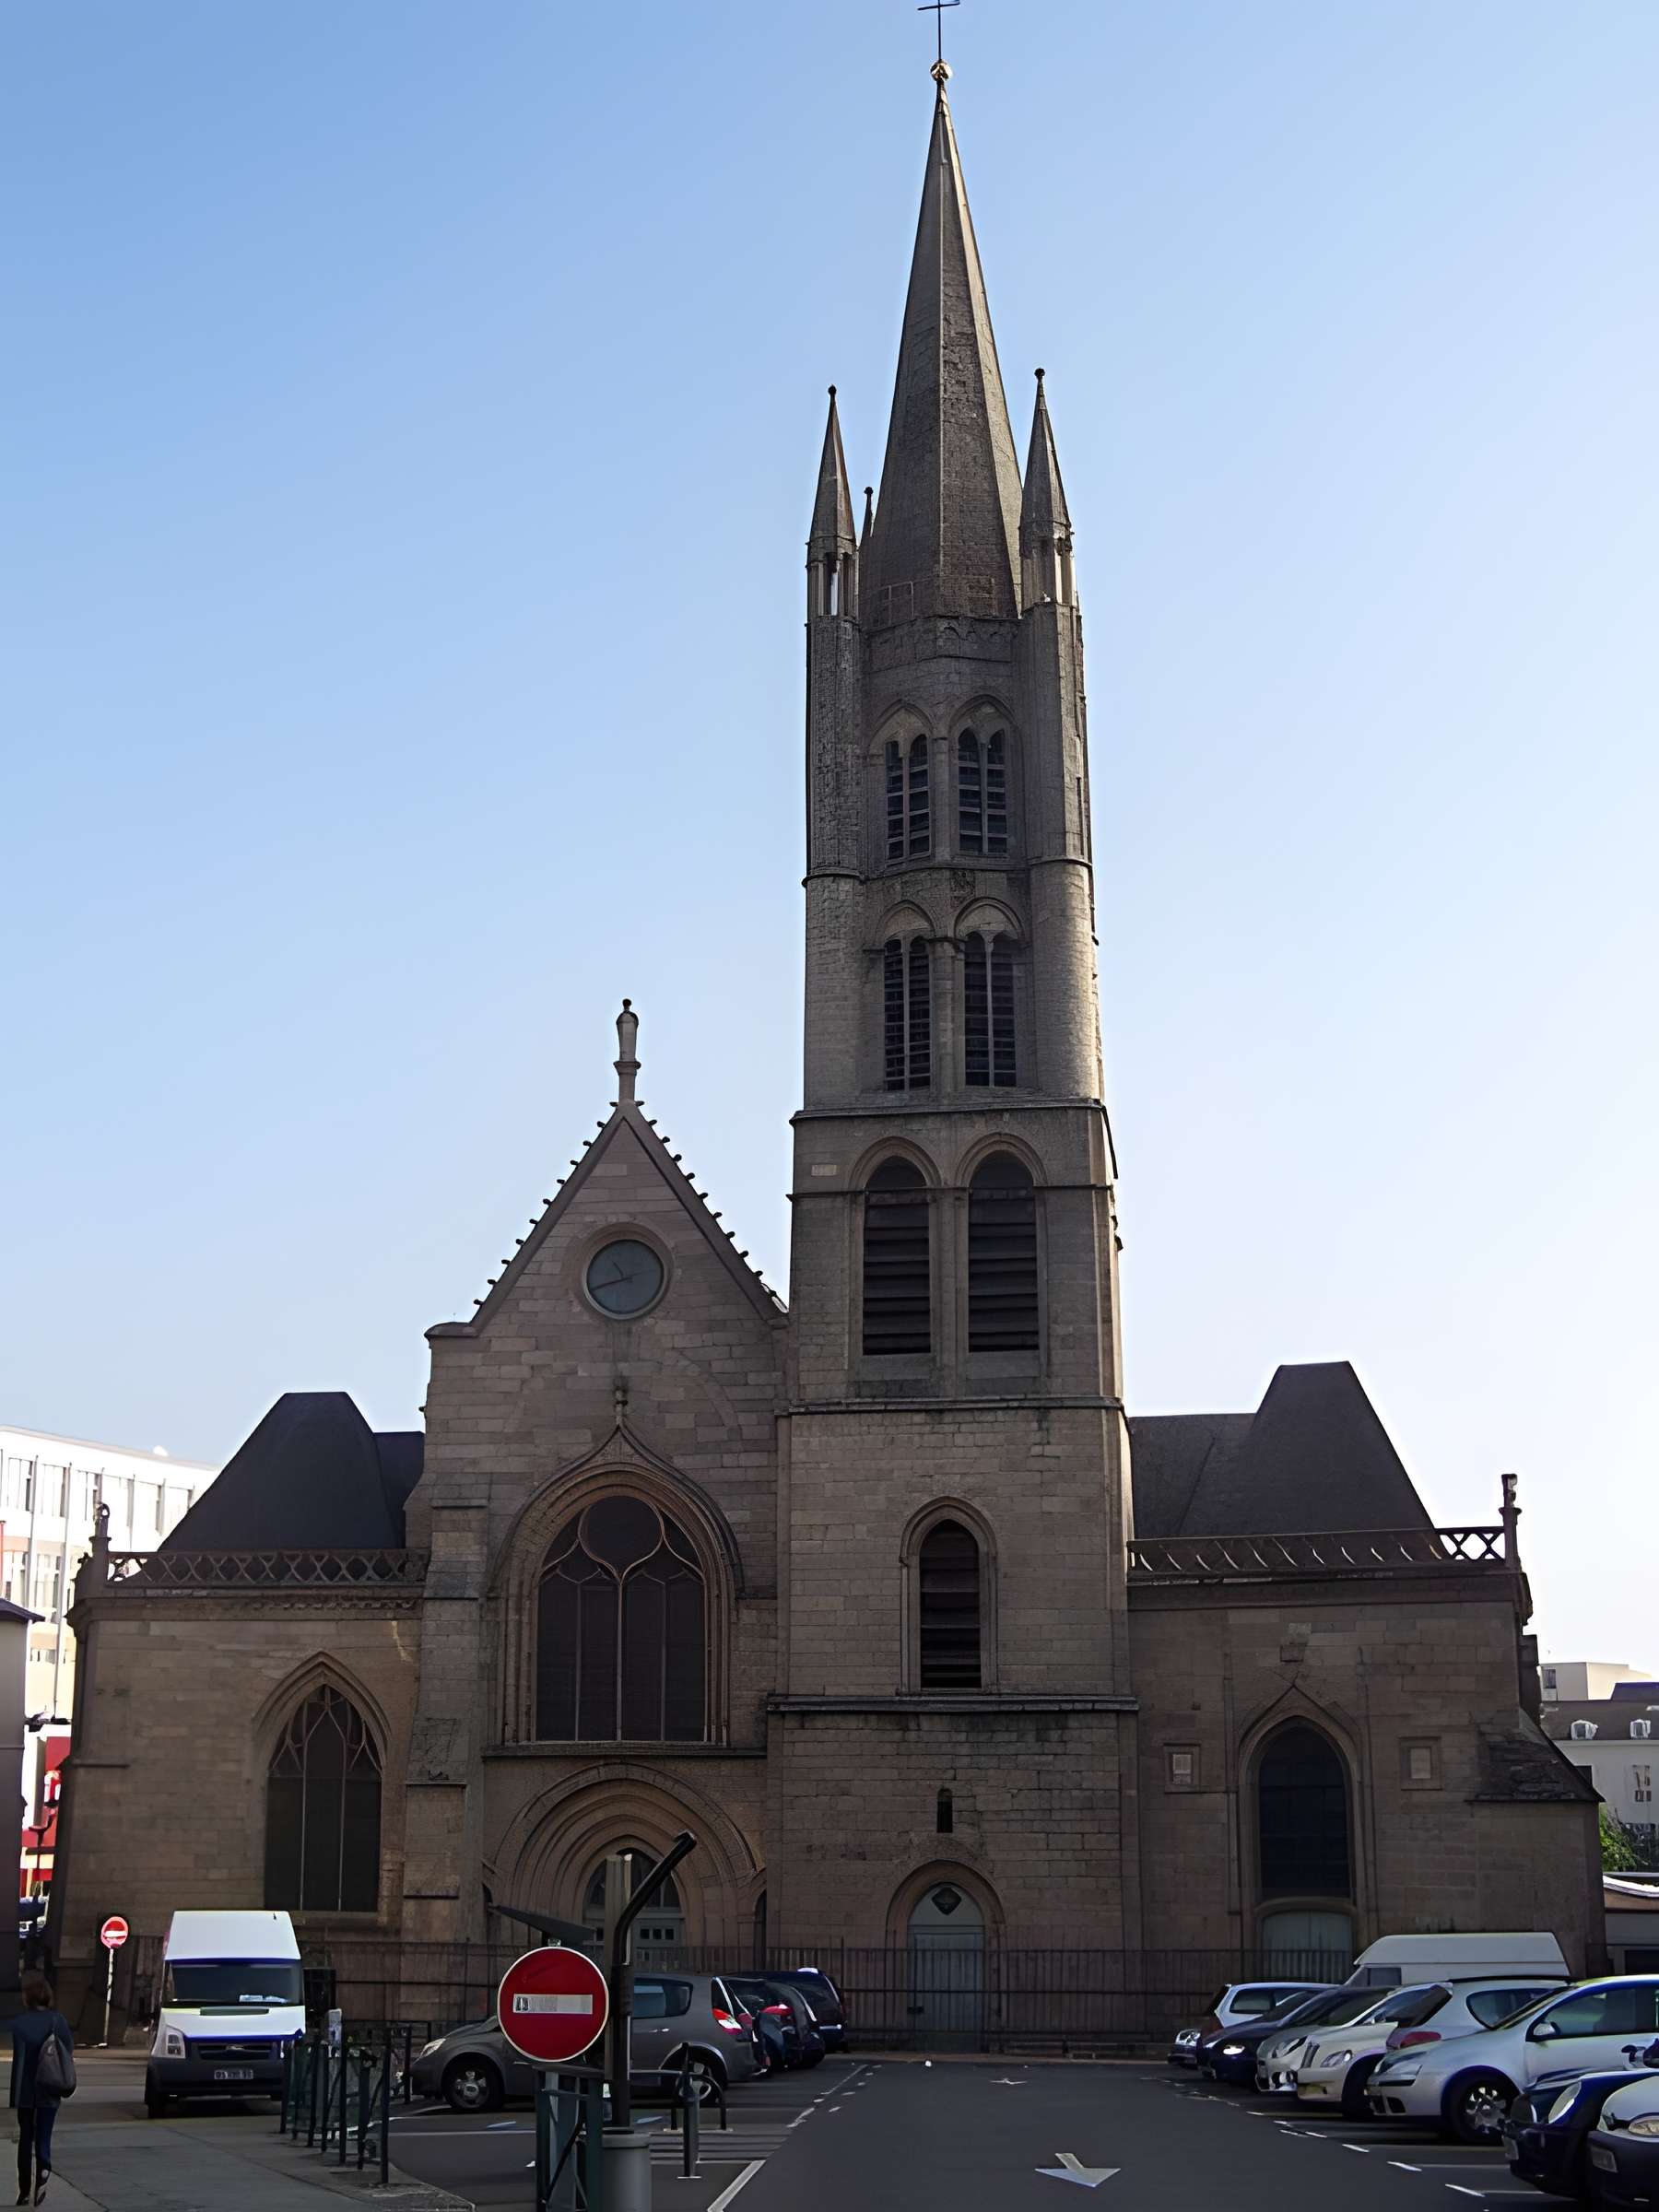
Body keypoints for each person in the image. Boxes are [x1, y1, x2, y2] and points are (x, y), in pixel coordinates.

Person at [9, 1973, 72, 2205]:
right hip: (51, 2089)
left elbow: (20, 2061)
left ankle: (24, 2190)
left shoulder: (21, 2023)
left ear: (27, 1998)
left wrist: (15, 2097)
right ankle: (43, 2170)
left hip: (27, 2092)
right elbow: (68, 2051)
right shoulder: (59, 2021)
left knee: (26, 2139)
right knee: (44, 2137)